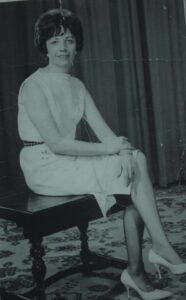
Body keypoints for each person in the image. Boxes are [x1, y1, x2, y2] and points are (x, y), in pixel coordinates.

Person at [17, 8, 186, 300]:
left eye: (68, 40)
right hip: (44, 167)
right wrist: (113, 149)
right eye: (55, 41)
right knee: (135, 170)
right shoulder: (33, 86)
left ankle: (140, 268)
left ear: (77, 45)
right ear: (44, 45)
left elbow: (107, 134)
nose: (62, 48)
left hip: (69, 162)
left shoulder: (77, 86)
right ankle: (153, 255)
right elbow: (57, 144)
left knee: (135, 163)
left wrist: (122, 150)